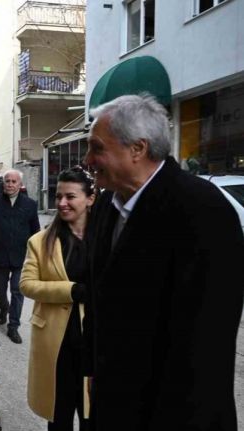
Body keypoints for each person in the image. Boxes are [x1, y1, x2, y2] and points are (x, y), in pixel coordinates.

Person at [83, 94, 244, 431]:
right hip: (114, 406)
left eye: (97, 148)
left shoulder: (202, 211)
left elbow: (205, 344)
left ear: (137, 149)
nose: (87, 159)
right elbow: (101, 301)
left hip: (175, 415)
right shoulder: (104, 207)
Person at [20, 166, 95, 430]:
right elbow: (27, 285)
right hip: (57, 345)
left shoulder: (107, 238)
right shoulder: (41, 241)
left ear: (90, 199)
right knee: (59, 417)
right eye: (58, 196)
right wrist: (71, 290)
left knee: (92, 417)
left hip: (95, 343)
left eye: (70, 196)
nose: (62, 203)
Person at [0, 169, 40, 343]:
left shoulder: (30, 204)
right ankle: (3, 308)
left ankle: (13, 326)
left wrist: (37, 255)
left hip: (21, 256)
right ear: (3, 183)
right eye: (7, 181)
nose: (10, 184)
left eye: (14, 182)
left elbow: (36, 232)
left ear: (20, 185)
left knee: (17, 291)